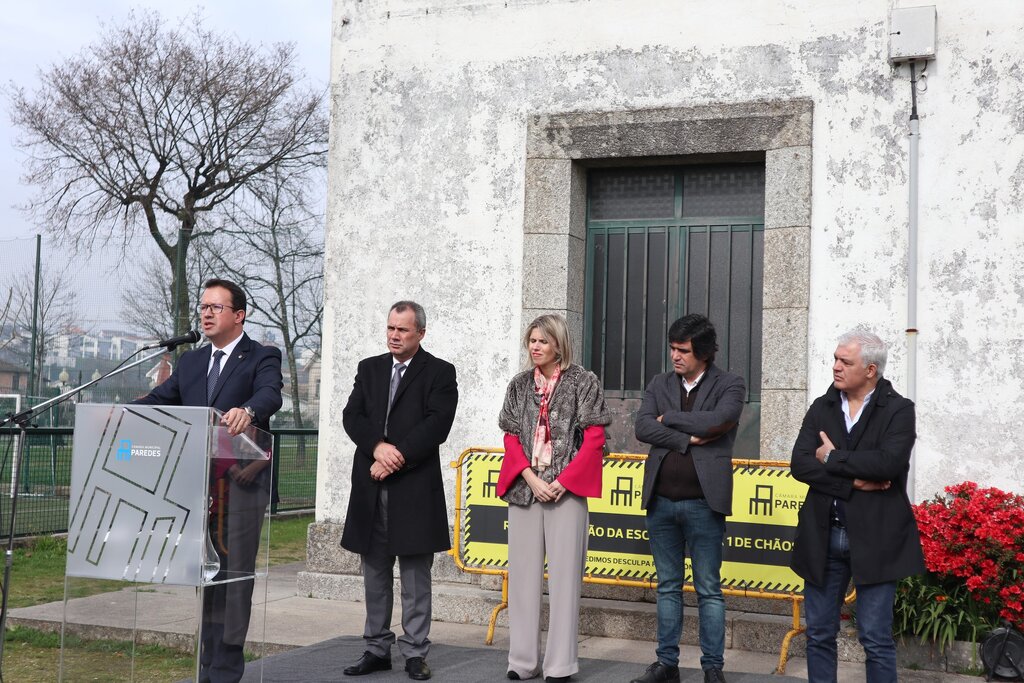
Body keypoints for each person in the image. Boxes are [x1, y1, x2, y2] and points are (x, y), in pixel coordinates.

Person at [134, 278, 283, 683]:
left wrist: (248, 410)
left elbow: (271, 395)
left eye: (216, 307)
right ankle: (206, 664)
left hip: (241, 487)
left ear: (239, 315)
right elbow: (161, 399)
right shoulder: (193, 361)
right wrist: (119, 413)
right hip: (197, 487)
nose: (206, 313)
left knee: (234, 577)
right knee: (207, 575)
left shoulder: (262, 356)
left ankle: (227, 666)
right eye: (203, 306)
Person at [790, 329, 924, 683]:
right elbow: (800, 463)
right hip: (824, 535)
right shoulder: (823, 406)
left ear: (870, 370)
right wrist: (854, 481)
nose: (835, 367)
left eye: (844, 361)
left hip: (877, 538)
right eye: (835, 358)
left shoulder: (898, 410)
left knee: (876, 639)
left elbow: (887, 465)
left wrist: (832, 457)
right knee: (819, 634)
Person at [340, 301, 459, 681]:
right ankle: (376, 648)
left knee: (414, 576)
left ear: (420, 333)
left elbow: (436, 425)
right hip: (371, 487)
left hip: (412, 487)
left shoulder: (440, 372)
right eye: (391, 328)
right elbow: (352, 416)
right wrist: (377, 447)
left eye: (403, 330)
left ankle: (414, 652)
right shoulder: (369, 368)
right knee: (374, 572)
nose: (394, 335)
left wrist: (395, 456)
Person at [630, 314, 745, 683]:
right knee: (667, 586)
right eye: (673, 348)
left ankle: (713, 669)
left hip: (703, 502)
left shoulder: (730, 383)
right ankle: (667, 665)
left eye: (684, 350)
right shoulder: (659, 382)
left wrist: (670, 420)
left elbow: (719, 421)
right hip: (661, 500)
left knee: (709, 589)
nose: (675, 356)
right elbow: (642, 425)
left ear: (705, 353)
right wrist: (684, 436)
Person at [496, 313, 610, 683]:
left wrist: (562, 481)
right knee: (523, 578)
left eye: (542, 341)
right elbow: (511, 438)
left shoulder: (584, 381)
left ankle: (560, 666)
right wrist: (529, 477)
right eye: (531, 340)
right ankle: (522, 662)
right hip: (525, 490)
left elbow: (594, 438)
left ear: (558, 345)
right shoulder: (517, 386)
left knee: (565, 582)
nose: (534, 347)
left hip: (567, 492)